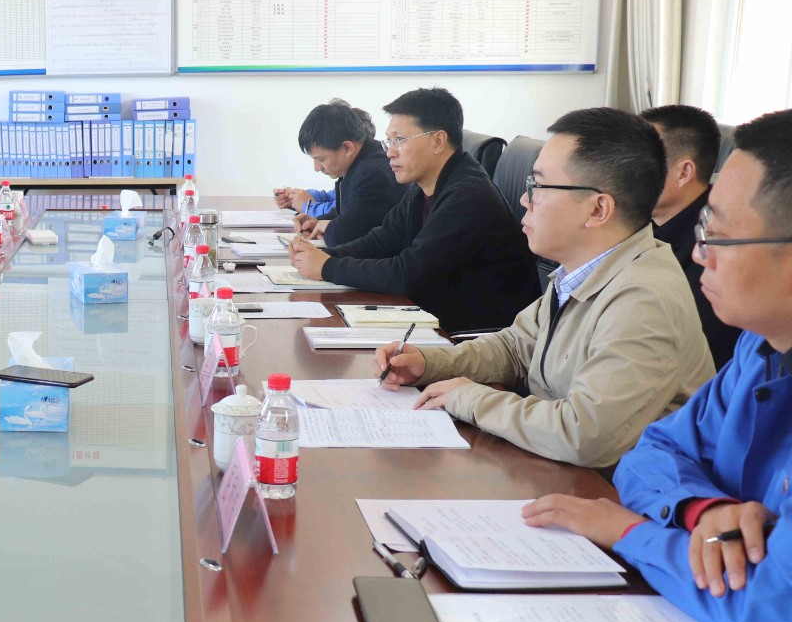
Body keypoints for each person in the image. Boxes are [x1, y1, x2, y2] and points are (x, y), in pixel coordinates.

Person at [523, 108, 792, 622]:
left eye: (718, 235)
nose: (698, 254)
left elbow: (768, 603)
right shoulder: (760, 348)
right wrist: (702, 510)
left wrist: (628, 532)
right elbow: (655, 450)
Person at [375, 108, 714, 469]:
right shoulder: (582, 269)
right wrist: (429, 363)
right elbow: (515, 348)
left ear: (598, 209)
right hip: (555, 469)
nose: (525, 200)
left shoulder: (643, 298)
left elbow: (585, 434)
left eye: (537, 186)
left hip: (613, 491)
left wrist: (468, 398)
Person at [288, 87, 540, 333]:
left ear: (438, 141)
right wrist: (324, 256)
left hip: (470, 334)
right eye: (389, 141)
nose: (390, 152)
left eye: (400, 140)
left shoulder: (467, 196)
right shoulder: (425, 186)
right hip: (435, 315)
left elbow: (407, 274)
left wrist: (328, 267)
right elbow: (382, 240)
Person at [640, 104, 741, 368]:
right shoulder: (633, 225)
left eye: (637, 160)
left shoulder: (714, 253)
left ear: (683, 172)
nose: (621, 171)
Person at [272, 99, 401, 246]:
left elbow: (346, 234)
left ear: (347, 148)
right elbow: (350, 212)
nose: (317, 168)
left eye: (321, 159)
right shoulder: (362, 162)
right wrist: (317, 221)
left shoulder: (374, 174)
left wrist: (328, 227)